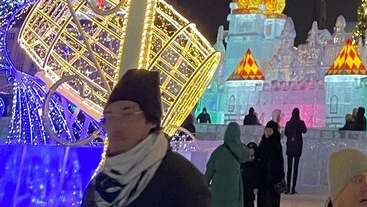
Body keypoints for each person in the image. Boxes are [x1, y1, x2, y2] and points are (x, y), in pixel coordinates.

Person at [81, 67, 210, 206]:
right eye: (109, 116)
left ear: (151, 121)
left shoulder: (184, 182)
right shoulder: (101, 186)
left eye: (127, 113)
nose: (115, 124)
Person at [206, 121, 252, 207]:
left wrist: (205, 184)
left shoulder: (218, 151)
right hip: (233, 189)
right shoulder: (241, 149)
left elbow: (209, 171)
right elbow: (247, 155)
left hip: (218, 190)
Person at [255, 119, 285, 207]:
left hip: (271, 180)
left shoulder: (274, 144)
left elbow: (279, 162)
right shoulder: (265, 142)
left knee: (268, 201)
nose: (267, 132)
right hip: (264, 179)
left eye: (270, 130)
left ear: (274, 131)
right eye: (266, 130)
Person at [284, 107, 308, 195]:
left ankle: (287, 187)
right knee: (295, 168)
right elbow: (305, 131)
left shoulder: (288, 123)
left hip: (290, 146)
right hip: (298, 147)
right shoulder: (301, 123)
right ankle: (293, 188)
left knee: (289, 168)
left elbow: (286, 133)